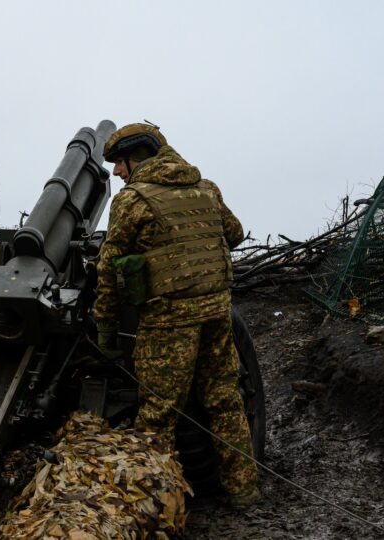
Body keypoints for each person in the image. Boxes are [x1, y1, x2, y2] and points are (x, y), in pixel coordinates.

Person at [92, 122, 260, 506]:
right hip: (216, 313)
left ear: (139, 159)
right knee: (225, 400)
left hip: (168, 322)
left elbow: (108, 266)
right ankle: (244, 491)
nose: (117, 172)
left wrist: (106, 327)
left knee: (157, 417)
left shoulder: (133, 200)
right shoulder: (206, 188)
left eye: (120, 162)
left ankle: (156, 507)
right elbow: (232, 233)